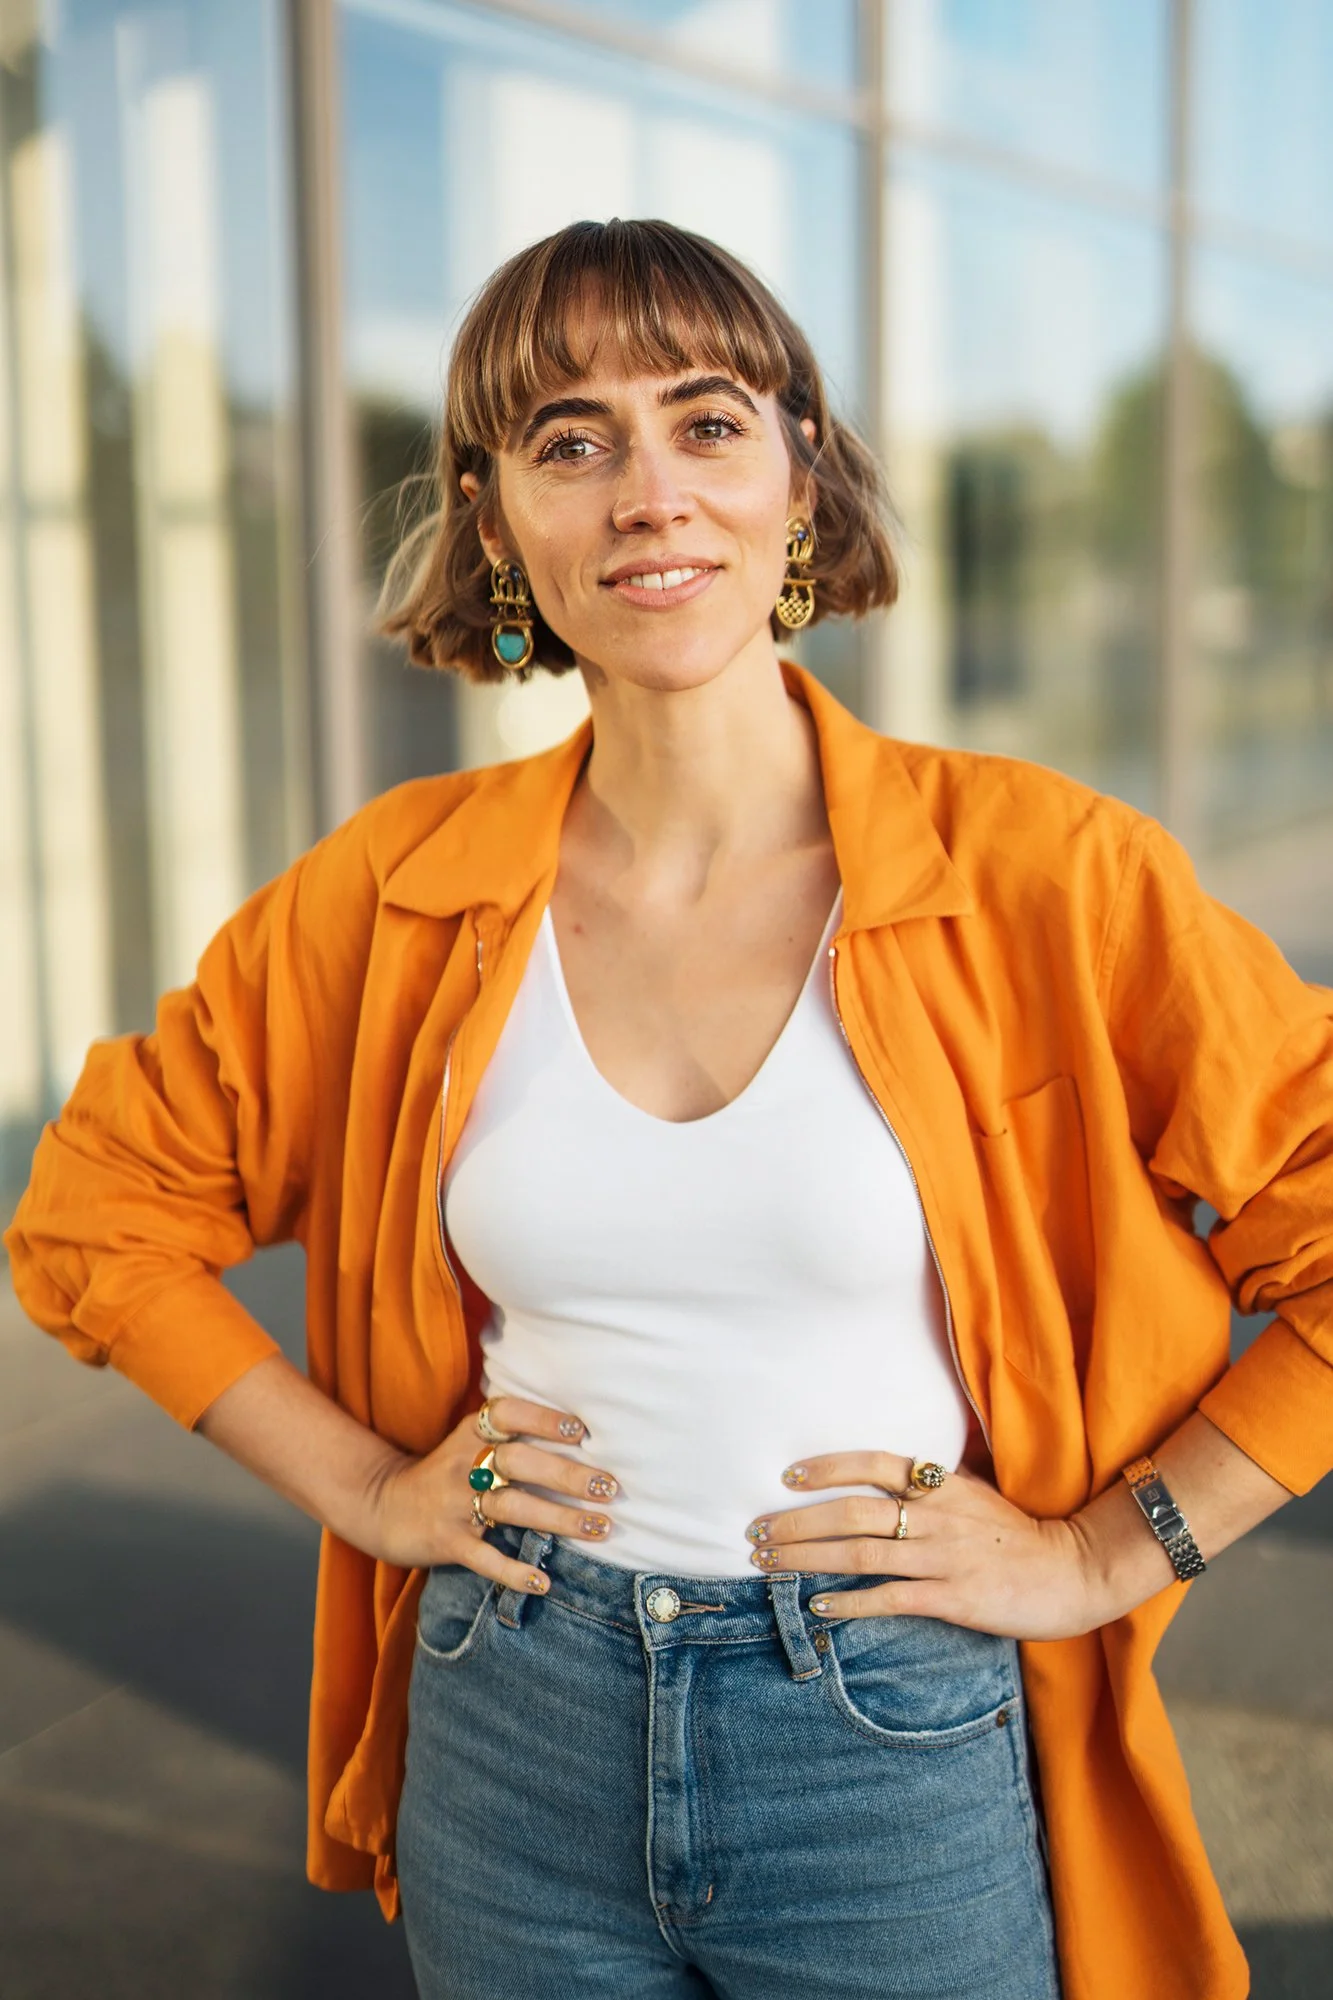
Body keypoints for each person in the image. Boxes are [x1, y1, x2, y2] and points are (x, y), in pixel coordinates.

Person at [5, 218, 1331, 2000]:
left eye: (705, 422)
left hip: (889, 1733)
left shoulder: (1047, 872)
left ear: (800, 476)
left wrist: (1109, 1548)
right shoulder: (392, 889)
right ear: (491, 520)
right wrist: (373, 1492)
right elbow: (97, 1214)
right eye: (571, 440)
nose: (648, 493)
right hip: (514, 1715)